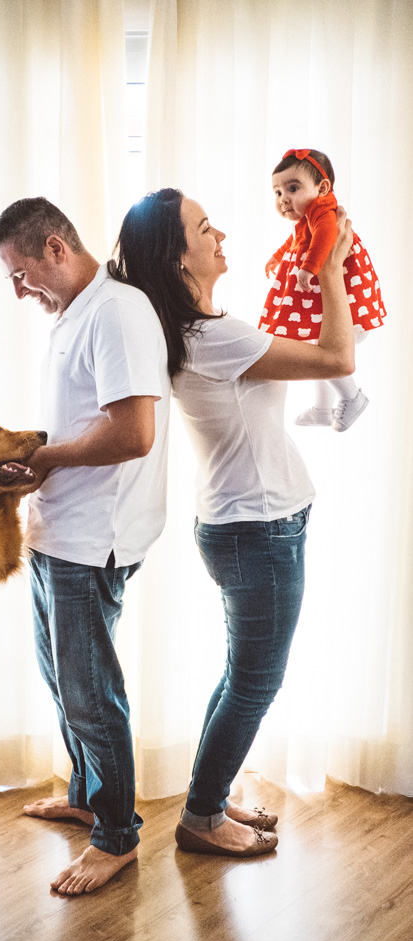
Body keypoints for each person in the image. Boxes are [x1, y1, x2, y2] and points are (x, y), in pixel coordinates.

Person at [109, 188, 354, 857]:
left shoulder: (207, 328)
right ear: (175, 255)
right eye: (204, 227)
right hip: (257, 532)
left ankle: (208, 801)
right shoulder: (211, 337)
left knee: (240, 676)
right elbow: (337, 358)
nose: (221, 236)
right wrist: (330, 270)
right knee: (252, 682)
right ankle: (201, 817)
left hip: (256, 527)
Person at [0, 197, 170, 893]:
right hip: (58, 533)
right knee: (64, 685)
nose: (18, 289)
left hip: (92, 542)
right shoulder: (72, 314)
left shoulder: (116, 312)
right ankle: (88, 797)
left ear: (56, 248)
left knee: (91, 697)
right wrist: (34, 461)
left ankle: (116, 837)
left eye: (20, 273)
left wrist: (49, 461)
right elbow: (84, 420)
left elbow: (132, 435)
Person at [261, 147, 385, 431]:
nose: (283, 199)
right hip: (322, 299)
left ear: (322, 187)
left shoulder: (324, 211)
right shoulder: (307, 217)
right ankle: (322, 407)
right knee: (317, 346)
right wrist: (278, 256)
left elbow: (325, 237)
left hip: (343, 299)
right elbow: (297, 241)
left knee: (323, 350)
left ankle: (353, 397)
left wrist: (309, 267)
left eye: (293, 188)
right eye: (278, 193)